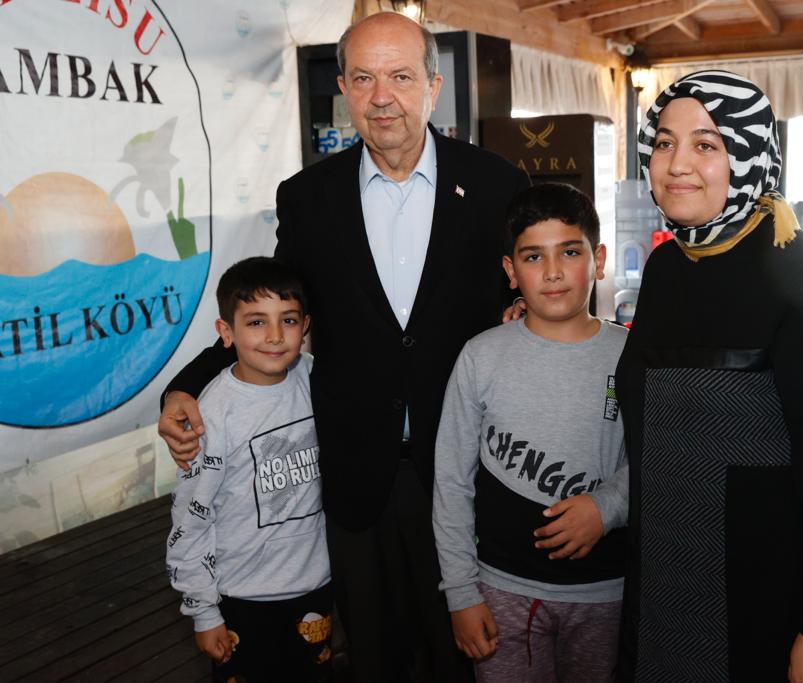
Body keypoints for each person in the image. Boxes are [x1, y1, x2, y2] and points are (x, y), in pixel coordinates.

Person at [157, 11, 530, 683]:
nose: (382, 96)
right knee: (373, 657)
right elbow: (274, 308)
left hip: (468, 466)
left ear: (433, 86)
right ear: (344, 89)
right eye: (363, 78)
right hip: (357, 473)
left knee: (466, 657)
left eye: (400, 77)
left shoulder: (498, 185)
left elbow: (537, 297)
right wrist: (184, 384)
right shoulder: (309, 197)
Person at [615, 71, 803, 681]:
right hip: (666, 579)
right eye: (664, 143)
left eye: (706, 145)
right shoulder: (667, 269)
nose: (677, 164)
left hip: (765, 603)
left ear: (749, 155)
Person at [433, 183, 629, 683]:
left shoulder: (632, 355)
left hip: (606, 592)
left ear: (598, 259)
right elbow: (451, 482)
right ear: (510, 271)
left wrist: (606, 507)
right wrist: (461, 593)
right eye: (534, 257)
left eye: (570, 252)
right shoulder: (480, 356)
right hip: (501, 589)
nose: (554, 271)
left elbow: (657, 459)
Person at [166, 257, 332, 683]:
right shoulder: (211, 415)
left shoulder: (317, 380)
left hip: (315, 588)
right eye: (256, 322)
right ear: (226, 333)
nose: (275, 336)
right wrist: (204, 612)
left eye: (288, 320)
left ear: (305, 326)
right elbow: (191, 521)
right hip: (241, 597)